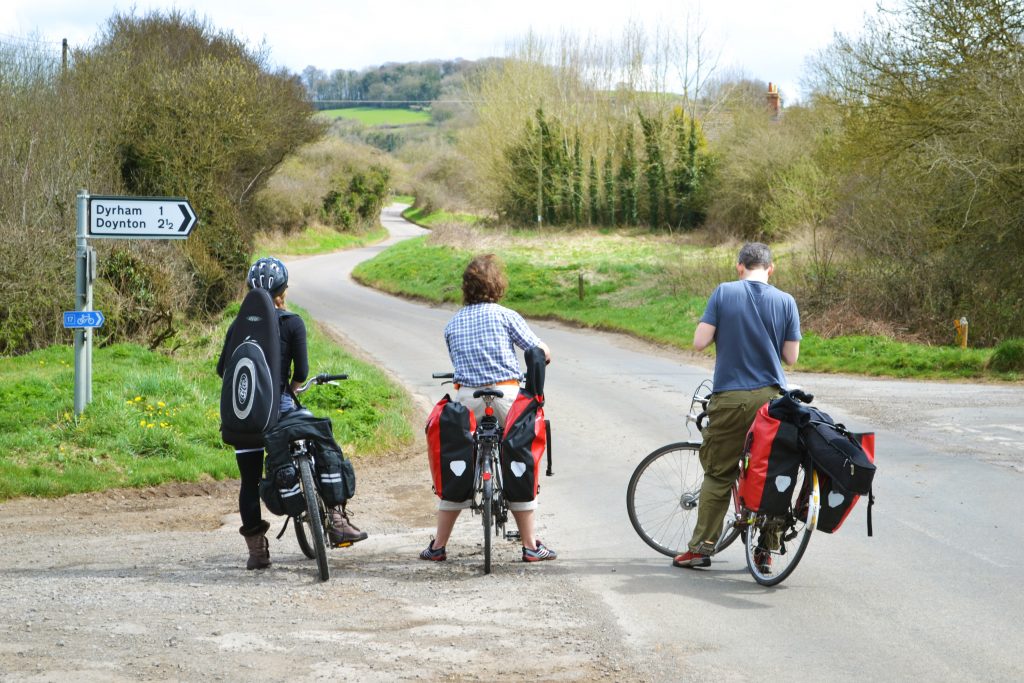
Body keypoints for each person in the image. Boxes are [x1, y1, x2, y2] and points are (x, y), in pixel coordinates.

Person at [217, 256, 367, 571]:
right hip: (280, 409)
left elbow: (222, 370)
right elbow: (303, 371)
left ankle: (257, 554)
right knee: (321, 438)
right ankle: (337, 519)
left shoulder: (237, 326)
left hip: (244, 417)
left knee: (248, 481)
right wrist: (289, 388)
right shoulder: (292, 322)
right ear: (283, 291)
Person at [419, 253, 556, 563]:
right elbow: (537, 349)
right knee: (519, 456)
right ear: (497, 285)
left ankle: (438, 546)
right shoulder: (506, 315)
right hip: (507, 396)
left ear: (466, 288)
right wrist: (544, 356)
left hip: (467, 398)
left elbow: (457, 364)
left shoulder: (453, 323)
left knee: (458, 462)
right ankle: (531, 546)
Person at [672, 242, 801, 570]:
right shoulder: (786, 301)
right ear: (771, 269)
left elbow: (699, 342)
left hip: (730, 398)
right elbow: (791, 357)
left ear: (739, 266)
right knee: (772, 473)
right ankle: (765, 551)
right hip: (772, 402)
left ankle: (701, 549)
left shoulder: (724, 293)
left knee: (719, 473)